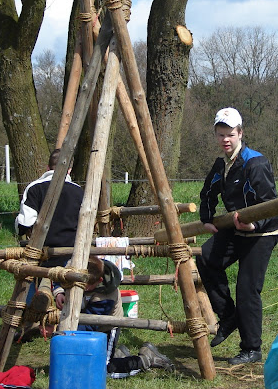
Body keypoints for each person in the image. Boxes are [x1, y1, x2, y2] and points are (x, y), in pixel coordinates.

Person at [195, 107, 278, 365]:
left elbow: (270, 203)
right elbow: (207, 193)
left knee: (247, 288)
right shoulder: (221, 164)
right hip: (236, 226)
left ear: (240, 133)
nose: (225, 139)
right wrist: (207, 219)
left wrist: (255, 226)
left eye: (230, 134)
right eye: (221, 134)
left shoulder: (256, 162)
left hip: (263, 231)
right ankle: (229, 316)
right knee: (206, 258)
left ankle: (251, 348)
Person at [54, 255, 174, 378]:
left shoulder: (105, 296)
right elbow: (59, 277)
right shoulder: (72, 267)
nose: (81, 287)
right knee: (81, 363)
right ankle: (117, 354)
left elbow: (90, 324)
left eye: (87, 285)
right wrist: (59, 292)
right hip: (80, 323)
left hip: (105, 328)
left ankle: (145, 359)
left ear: (99, 280)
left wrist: (63, 332)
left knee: (103, 370)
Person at [14, 148, 83, 339]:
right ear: (69, 169)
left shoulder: (35, 188)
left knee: (29, 280)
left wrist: (19, 230)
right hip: (70, 252)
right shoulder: (79, 191)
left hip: (41, 253)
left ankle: (26, 322)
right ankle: (69, 323)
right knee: (68, 286)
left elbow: (26, 222)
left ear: (48, 167)